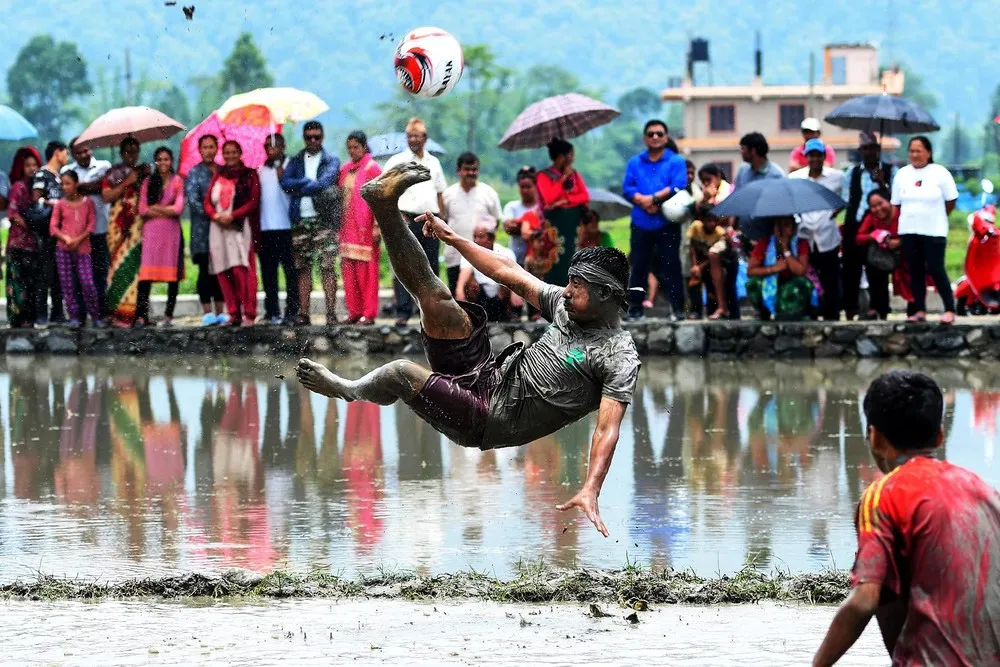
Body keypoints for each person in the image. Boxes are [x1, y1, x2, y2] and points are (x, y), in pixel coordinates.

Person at [296, 163, 640, 537]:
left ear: (606, 295)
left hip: (492, 417)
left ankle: (349, 390)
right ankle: (383, 204)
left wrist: (591, 489)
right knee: (438, 301)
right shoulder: (566, 305)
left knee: (400, 372)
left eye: (578, 286)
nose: (567, 290)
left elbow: (607, 429)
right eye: (569, 282)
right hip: (489, 373)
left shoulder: (617, 356)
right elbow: (508, 271)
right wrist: (453, 239)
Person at [812, 370, 1000, 667]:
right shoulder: (986, 492)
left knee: (882, 575)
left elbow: (864, 600)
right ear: (939, 436)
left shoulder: (883, 495)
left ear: (873, 436)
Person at [382, 117, 449, 327]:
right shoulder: (397, 161)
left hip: (430, 220)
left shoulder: (433, 162)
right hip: (405, 219)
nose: (413, 139)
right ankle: (403, 312)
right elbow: (386, 190)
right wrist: (394, 215)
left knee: (430, 267)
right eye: (410, 136)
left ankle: (432, 311)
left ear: (425, 138)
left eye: (417, 135)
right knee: (405, 266)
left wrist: (442, 220)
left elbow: (440, 193)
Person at [621, 120, 687, 320]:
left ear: (666, 138)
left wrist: (655, 199)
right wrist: (642, 200)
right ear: (645, 139)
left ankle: (677, 309)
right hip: (641, 221)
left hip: (666, 222)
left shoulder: (675, 161)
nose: (655, 137)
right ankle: (635, 308)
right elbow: (628, 188)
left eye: (659, 134)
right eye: (651, 134)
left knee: (671, 265)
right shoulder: (635, 162)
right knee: (639, 266)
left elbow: (679, 184)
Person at [892, 136, 958, 324]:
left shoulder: (940, 173)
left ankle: (949, 309)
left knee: (936, 269)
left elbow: (951, 200)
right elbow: (896, 204)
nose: (914, 154)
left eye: (918, 150)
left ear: (928, 153)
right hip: (909, 230)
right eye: (911, 151)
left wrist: (937, 217)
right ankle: (920, 310)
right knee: (915, 271)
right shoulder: (902, 174)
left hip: (934, 231)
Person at [280, 120, 341, 326]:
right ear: (304, 138)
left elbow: (324, 183)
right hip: (300, 220)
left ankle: (331, 314)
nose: (313, 140)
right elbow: (285, 183)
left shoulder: (331, 159)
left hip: (324, 220)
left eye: (316, 136)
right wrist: (307, 183)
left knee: (327, 267)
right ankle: (304, 313)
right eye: (309, 137)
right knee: (302, 268)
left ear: (322, 137)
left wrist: (301, 186)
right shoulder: (296, 160)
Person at [205, 140, 260, 326]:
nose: (230, 156)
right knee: (223, 270)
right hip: (219, 227)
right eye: (226, 152)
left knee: (240, 270)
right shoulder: (218, 175)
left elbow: (253, 202)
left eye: (233, 152)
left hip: (239, 227)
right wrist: (215, 215)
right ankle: (233, 313)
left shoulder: (249, 175)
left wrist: (232, 215)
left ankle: (249, 314)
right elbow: (207, 202)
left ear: (240, 153)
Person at [841, 132, 896, 320]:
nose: (870, 152)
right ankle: (850, 309)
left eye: (873, 148)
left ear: (878, 149)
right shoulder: (852, 173)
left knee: (877, 270)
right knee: (850, 270)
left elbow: (894, 199)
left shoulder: (889, 171)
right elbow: (845, 200)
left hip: (878, 227)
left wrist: (883, 183)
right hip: (855, 225)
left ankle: (880, 308)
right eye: (865, 148)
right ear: (860, 151)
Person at [790, 138, 845, 321]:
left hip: (827, 233)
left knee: (830, 276)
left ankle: (831, 314)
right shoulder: (796, 178)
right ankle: (810, 312)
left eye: (818, 155)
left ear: (823, 156)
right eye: (811, 155)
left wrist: (834, 212)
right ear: (806, 157)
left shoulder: (836, 177)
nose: (815, 159)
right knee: (807, 275)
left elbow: (846, 198)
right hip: (804, 234)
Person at [102, 137, 151, 327]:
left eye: (135, 151)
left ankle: (135, 313)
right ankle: (116, 314)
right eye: (128, 151)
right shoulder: (113, 173)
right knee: (116, 268)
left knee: (136, 269)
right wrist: (126, 182)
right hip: (117, 227)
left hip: (138, 226)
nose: (132, 155)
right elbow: (106, 197)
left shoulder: (143, 172)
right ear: (122, 153)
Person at [135, 146, 185, 327]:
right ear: (155, 162)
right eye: (160, 159)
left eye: (166, 159)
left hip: (171, 234)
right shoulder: (148, 182)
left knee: (173, 276)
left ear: (171, 161)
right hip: (151, 235)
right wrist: (167, 209)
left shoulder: (177, 181)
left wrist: (154, 208)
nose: (163, 163)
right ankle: (141, 315)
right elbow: (142, 209)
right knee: (146, 275)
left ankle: (168, 316)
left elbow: (178, 209)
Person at [63, 137, 112, 316]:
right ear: (73, 155)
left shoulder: (104, 166)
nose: (84, 154)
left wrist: (81, 187)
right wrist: (93, 187)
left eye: (86, 150)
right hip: (78, 234)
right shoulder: (67, 171)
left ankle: (101, 313)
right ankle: (81, 314)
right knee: (80, 277)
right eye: (79, 152)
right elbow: (70, 192)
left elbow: (104, 187)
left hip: (100, 229)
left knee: (100, 274)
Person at [338, 130, 383, 325]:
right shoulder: (346, 169)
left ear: (364, 147)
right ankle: (354, 311)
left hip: (366, 228)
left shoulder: (373, 168)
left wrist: (377, 226)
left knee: (368, 272)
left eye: (356, 147)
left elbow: (381, 198)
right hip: (348, 227)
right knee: (349, 271)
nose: (352, 151)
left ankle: (369, 313)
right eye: (349, 147)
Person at [441, 152, 502, 294]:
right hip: (455, 255)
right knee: (457, 297)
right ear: (458, 171)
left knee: (482, 298)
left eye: (474, 169)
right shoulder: (448, 195)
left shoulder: (489, 193)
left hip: (481, 256)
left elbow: (496, 222)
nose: (471, 173)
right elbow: (443, 221)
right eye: (467, 169)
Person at [535, 138, 591, 291]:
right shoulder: (543, 176)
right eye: (570, 155)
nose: (572, 158)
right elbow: (550, 198)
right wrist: (563, 179)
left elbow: (584, 196)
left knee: (573, 260)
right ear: (562, 156)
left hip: (572, 226)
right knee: (554, 263)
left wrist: (565, 200)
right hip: (553, 229)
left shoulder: (575, 174)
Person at [49, 170, 102, 327]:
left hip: (83, 250)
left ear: (76, 184)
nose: (65, 187)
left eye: (68, 183)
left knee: (87, 284)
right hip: (63, 250)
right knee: (67, 286)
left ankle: (96, 316)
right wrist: (66, 238)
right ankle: (73, 317)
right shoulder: (60, 204)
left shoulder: (88, 203)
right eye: (62, 184)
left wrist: (77, 240)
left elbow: (91, 226)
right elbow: (53, 228)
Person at [184, 134, 226, 326]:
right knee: (205, 271)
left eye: (211, 147)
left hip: (223, 228)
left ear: (217, 148)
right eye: (205, 147)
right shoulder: (194, 173)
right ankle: (207, 312)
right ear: (200, 150)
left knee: (221, 271)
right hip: (202, 230)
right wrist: (214, 214)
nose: (208, 151)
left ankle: (221, 311)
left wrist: (225, 214)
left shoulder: (224, 171)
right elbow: (193, 201)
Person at [257, 133, 298, 325]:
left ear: (283, 146)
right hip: (266, 227)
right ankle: (271, 311)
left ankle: (292, 311)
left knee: (290, 271)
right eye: (266, 146)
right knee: (268, 272)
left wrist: (285, 179)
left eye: (274, 146)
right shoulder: (260, 170)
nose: (270, 150)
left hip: (287, 226)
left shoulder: (292, 166)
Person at [746, 217, 817, 321]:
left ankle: (795, 311)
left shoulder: (800, 243)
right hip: (770, 282)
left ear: (793, 228)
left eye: (786, 225)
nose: (781, 229)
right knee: (752, 284)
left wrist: (785, 249)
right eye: (778, 225)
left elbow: (800, 271)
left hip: (793, 282)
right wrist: (773, 269)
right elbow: (750, 271)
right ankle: (764, 312)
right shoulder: (765, 243)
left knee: (795, 288)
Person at [31, 140, 70, 325]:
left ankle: (58, 314)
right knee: (44, 274)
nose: (67, 157)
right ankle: (41, 315)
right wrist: (52, 204)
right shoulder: (42, 174)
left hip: (60, 232)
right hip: (46, 232)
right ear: (57, 153)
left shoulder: (61, 177)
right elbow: (36, 199)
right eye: (65, 153)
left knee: (59, 274)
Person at [856, 189, 910, 320]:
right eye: (873, 206)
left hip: (904, 254)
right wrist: (874, 235)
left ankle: (915, 309)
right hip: (881, 257)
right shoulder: (871, 217)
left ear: (890, 201)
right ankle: (879, 309)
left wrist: (899, 242)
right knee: (874, 270)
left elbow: (915, 233)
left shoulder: (903, 214)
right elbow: (859, 237)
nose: (878, 209)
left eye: (880, 203)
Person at [5, 147, 43, 327]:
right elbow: (13, 214)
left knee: (32, 283)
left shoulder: (37, 189)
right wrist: (31, 226)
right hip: (18, 244)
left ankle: (29, 318)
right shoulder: (18, 187)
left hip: (33, 245)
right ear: (22, 167)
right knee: (18, 283)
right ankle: (17, 319)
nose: (31, 168)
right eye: (27, 165)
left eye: (34, 165)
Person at [693, 163, 736, 319]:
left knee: (713, 255)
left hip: (724, 238)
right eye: (703, 181)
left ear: (718, 177)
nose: (706, 184)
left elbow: (728, 218)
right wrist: (705, 200)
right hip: (707, 239)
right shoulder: (704, 196)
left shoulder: (729, 191)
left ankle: (723, 306)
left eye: (708, 180)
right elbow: (700, 217)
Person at [456, 219, 521, 321]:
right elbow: (465, 271)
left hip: (501, 293)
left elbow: (515, 275)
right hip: (480, 293)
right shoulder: (469, 253)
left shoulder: (506, 252)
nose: (476, 240)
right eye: (475, 237)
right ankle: (474, 316)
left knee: (509, 283)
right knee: (470, 283)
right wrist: (459, 291)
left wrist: (515, 293)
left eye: (481, 237)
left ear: (492, 239)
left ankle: (508, 315)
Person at [685, 208, 726, 319]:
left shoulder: (720, 233)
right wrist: (695, 266)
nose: (712, 224)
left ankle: (711, 311)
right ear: (702, 220)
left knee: (711, 287)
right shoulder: (696, 227)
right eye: (709, 220)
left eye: (714, 221)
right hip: (696, 263)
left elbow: (714, 257)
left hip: (710, 265)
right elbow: (692, 247)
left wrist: (700, 267)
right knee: (694, 285)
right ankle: (696, 311)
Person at [502, 166, 541, 266]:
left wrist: (520, 224)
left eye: (528, 187)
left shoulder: (541, 208)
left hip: (537, 260)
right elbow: (508, 229)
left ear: (536, 186)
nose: (525, 190)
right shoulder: (511, 206)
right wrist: (534, 229)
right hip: (515, 258)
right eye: (522, 187)